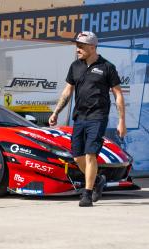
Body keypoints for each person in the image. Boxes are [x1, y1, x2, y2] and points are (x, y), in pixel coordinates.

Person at [48, 31, 126, 207]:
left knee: (91, 154)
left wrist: (122, 121)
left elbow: (118, 94)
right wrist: (56, 112)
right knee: (77, 157)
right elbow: (67, 91)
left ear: (92, 46)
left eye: (81, 46)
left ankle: (87, 194)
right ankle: (97, 180)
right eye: (77, 46)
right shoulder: (75, 66)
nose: (78, 49)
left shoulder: (107, 67)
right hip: (79, 117)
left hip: (98, 117)